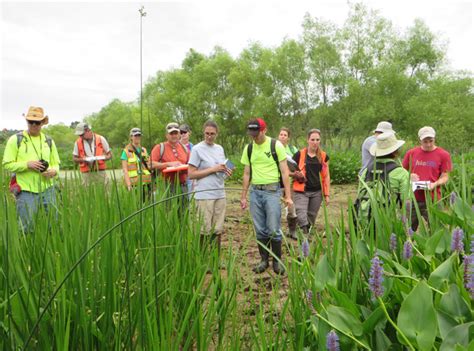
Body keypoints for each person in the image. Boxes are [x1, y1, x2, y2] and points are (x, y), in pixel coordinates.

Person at [240, 118, 293, 275]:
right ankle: (264, 260)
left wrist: (288, 196)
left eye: (257, 133)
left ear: (264, 130)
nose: (254, 137)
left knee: (273, 228)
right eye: (251, 133)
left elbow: (285, 172)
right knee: (260, 229)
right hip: (255, 192)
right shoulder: (248, 148)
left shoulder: (275, 145)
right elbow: (247, 173)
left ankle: (276, 262)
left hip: (272, 192)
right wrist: (243, 196)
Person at [2, 106, 60, 233]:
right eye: (30, 121)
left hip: (48, 189)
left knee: (53, 225)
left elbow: (56, 164)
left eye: (37, 122)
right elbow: (7, 163)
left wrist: (54, 171)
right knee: (26, 227)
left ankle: (53, 250)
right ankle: (25, 250)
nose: (33, 125)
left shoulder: (48, 141)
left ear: (42, 123)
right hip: (25, 190)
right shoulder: (16, 140)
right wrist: (27, 164)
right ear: (27, 122)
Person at [188, 120, 232, 252]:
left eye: (212, 134)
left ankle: (215, 259)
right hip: (204, 194)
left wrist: (226, 170)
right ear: (203, 133)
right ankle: (202, 259)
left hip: (220, 192)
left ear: (217, 134)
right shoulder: (197, 149)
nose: (209, 136)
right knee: (204, 229)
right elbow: (191, 174)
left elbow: (221, 167)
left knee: (217, 229)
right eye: (207, 133)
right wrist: (213, 169)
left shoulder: (219, 149)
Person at [402, 126, 452, 231]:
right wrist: (409, 175)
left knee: (436, 229)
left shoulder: (444, 154)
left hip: (433, 198)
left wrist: (435, 183)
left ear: (434, 139)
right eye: (425, 141)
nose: (428, 144)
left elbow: (445, 176)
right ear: (420, 140)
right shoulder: (411, 153)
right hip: (413, 198)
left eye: (431, 141)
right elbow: (401, 171)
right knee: (407, 229)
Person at [355, 132, 410, 227]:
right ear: (395, 151)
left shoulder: (366, 170)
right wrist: (406, 224)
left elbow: (359, 195)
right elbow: (407, 202)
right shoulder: (401, 173)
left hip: (365, 220)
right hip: (389, 221)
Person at [291, 129, 330, 235]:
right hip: (301, 190)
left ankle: (305, 236)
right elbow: (288, 170)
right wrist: (295, 174)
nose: (315, 142)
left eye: (317, 140)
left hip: (317, 192)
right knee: (301, 214)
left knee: (311, 217)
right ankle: (302, 235)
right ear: (308, 140)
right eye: (312, 139)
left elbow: (326, 176)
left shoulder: (323, 156)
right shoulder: (299, 154)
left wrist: (326, 194)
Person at [150, 122, 190, 206]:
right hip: (166, 186)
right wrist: (168, 164)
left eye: (176, 133)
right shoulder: (159, 147)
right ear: (166, 135)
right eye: (171, 133)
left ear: (179, 134)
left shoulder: (184, 148)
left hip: (183, 186)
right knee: (168, 214)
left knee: (184, 213)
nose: (174, 135)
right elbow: (151, 164)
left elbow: (190, 164)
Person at [278, 127, 299, 239]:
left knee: (291, 207)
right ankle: (278, 230)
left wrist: (296, 174)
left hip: (289, 184)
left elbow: (297, 164)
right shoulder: (274, 148)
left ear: (288, 138)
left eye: (285, 135)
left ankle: (292, 230)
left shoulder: (292, 149)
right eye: (281, 134)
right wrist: (291, 173)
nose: (282, 136)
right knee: (277, 209)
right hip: (277, 182)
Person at [121, 127, 152, 198]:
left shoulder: (144, 150)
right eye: (135, 135)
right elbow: (125, 170)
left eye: (139, 135)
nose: (137, 137)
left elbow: (148, 165)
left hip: (146, 183)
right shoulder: (125, 151)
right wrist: (129, 185)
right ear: (131, 137)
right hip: (134, 184)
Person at [180, 123, 194, 196]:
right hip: (179, 177)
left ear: (189, 133)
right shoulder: (176, 145)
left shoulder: (193, 147)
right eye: (181, 132)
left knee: (189, 199)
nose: (183, 134)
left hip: (190, 177)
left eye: (184, 132)